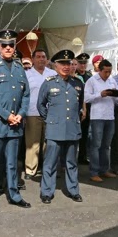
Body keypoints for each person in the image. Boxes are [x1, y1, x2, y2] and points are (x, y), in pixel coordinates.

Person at [0, 29, 31, 213]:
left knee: (12, 163)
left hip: (15, 124)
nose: (8, 48)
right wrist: (6, 115)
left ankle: (14, 195)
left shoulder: (19, 67)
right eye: (5, 45)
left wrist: (21, 113)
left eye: (11, 45)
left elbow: (26, 93)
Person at [37, 50, 85, 204]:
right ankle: (47, 192)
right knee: (50, 162)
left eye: (68, 63)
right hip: (55, 129)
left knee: (71, 162)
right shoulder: (49, 82)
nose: (65, 66)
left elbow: (78, 105)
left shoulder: (77, 84)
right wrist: (51, 119)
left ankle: (73, 190)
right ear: (56, 65)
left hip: (72, 128)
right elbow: (41, 105)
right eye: (62, 63)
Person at [24, 49, 56, 179]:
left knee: (48, 143)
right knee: (33, 143)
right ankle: (30, 169)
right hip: (32, 112)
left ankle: (47, 168)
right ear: (32, 59)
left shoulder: (53, 74)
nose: (41, 59)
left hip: (50, 113)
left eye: (43, 57)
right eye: (38, 57)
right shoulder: (26, 74)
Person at [85, 59, 118, 182]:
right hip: (97, 117)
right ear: (99, 70)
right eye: (105, 71)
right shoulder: (92, 81)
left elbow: (117, 99)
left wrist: (117, 95)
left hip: (110, 116)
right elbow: (86, 98)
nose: (108, 74)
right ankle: (94, 171)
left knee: (106, 145)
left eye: (110, 71)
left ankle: (104, 170)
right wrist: (101, 94)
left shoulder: (112, 80)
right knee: (96, 145)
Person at [75, 53, 93, 164]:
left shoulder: (89, 76)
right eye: (80, 63)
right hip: (77, 107)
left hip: (88, 108)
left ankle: (82, 156)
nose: (82, 65)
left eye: (84, 63)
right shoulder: (74, 75)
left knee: (85, 134)